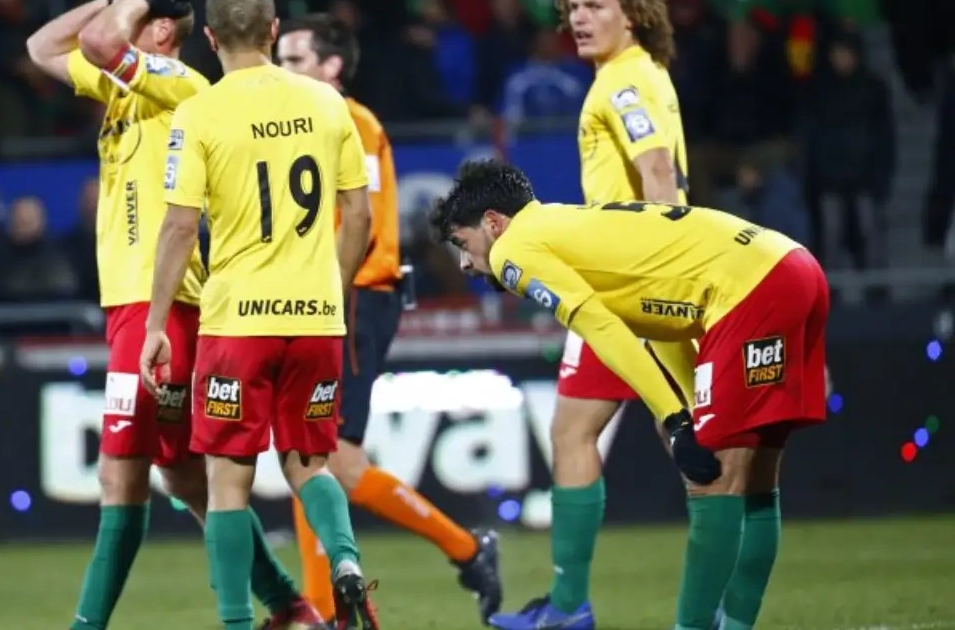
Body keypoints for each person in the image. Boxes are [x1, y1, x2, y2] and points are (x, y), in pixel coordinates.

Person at [432, 160, 830, 630]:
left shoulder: (513, 250)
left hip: (750, 290)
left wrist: (677, 421)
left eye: (463, 244)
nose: (465, 264)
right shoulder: (568, 226)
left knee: (714, 481)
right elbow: (662, 326)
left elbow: (600, 327)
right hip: (793, 266)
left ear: (493, 223)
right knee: (758, 479)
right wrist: (685, 411)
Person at [27, 2, 324, 629]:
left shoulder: (183, 85)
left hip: (159, 304)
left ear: (161, 29)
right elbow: (41, 48)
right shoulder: (124, 88)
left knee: (119, 477)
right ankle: (290, 607)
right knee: (185, 476)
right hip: (134, 304)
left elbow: (101, 42)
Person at [138, 1, 378, 629]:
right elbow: (359, 214)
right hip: (315, 319)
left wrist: (156, 324)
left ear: (210, 37)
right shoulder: (327, 103)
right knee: (310, 464)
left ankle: (238, 623)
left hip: (238, 324)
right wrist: (333, 289)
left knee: (226, 481)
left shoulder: (200, 112)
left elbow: (180, 227)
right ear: (273, 31)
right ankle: (345, 559)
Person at [276, 13, 504, 626]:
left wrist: (323, 292)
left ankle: (455, 553)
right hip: (330, 295)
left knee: (327, 457)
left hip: (352, 295)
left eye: (294, 60)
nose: (281, 70)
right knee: (313, 451)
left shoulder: (351, 121)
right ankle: (336, 603)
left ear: (331, 66)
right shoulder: (300, 122)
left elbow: (364, 222)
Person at [487, 0, 686, 628]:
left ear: (634, 14)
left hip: (636, 285)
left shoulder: (624, 81)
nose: (577, 17)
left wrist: (663, 266)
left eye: (595, 4)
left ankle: (705, 608)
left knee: (698, 447)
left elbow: (658, 171)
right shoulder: (639, 73)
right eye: (571, 6)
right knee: (582, 432)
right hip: (626, 284)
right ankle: (570, 605)